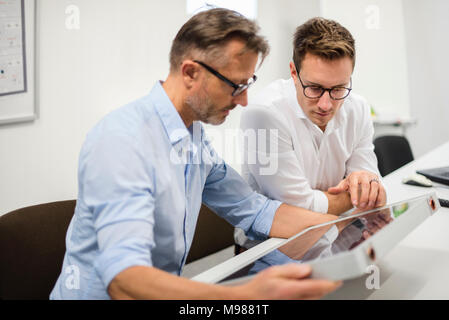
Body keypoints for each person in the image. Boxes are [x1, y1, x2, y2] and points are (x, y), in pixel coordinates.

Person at [50, 9, 342, 300]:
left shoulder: (192, 138)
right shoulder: (122, 140)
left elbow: (255, 209)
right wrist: (245, 296)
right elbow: (125, 278)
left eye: (248, 83)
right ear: (190, 72)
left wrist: (339, 223)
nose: (244, 101)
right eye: (236, 86)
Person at [235, 17, 387, 252]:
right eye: (315, 88)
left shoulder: (357, 107)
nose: (326, 104)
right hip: (270, 250)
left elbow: (369, 180)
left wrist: (366, 187)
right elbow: (299, 209)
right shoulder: (264, 114)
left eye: (338, 89)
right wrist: (358, 197)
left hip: (341, 236)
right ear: (293, 73)